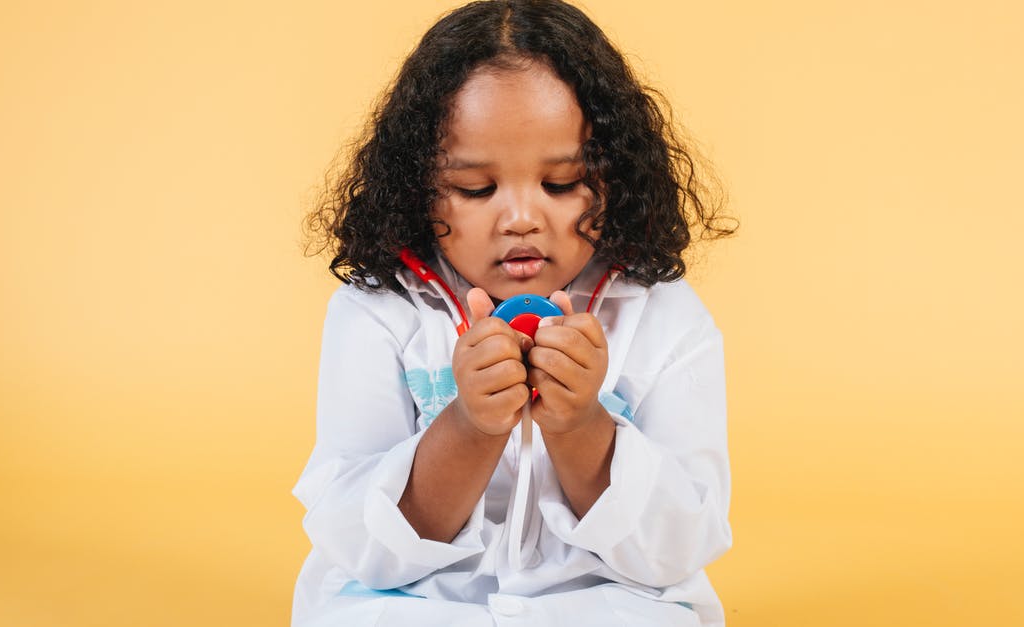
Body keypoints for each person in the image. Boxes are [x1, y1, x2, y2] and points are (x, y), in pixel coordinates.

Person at [294, 1, 739, 624]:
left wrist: (582, 426)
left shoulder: (666, 317)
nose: (522, 218)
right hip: (416, 602)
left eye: (561, 183)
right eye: (477, 189)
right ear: (416, 185)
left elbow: (677, 549)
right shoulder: (377, 312)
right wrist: (470, 427)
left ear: (615, 176)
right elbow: (361, 546)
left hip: (606, 600)